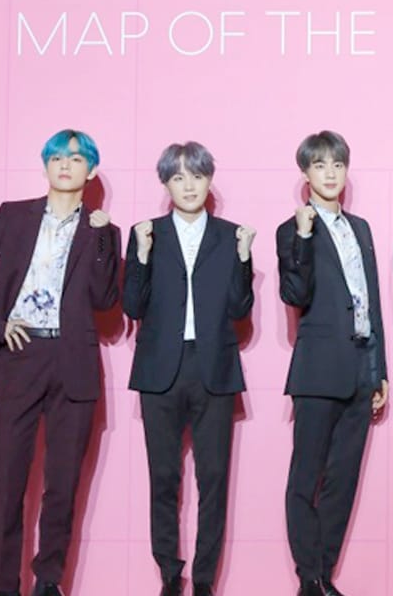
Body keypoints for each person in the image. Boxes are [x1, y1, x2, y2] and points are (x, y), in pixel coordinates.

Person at [0, 129, 120, 596]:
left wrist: (103, 238)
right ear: (46, 166)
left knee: (63, 482)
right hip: (21, 356)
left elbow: (105, 299)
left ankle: (49, 581)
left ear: (90, 170)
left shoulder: (103, 230)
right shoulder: (14, 216)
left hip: (73, 361)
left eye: (76, 158)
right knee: (9, 478)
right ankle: (4, 584)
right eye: (57, 158)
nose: (65, 165)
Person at [123, 141, 256, 596]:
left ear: (209, 180)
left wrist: (244, 258)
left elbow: (239, 309)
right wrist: (141, 255)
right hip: (160, 370)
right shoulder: (147, 233)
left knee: (214, 480)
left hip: (213, 368)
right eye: (178, 177)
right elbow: (132, 305)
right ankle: (168, 573)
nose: (189, 186)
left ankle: (203, 580)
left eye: (197, 176)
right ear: (166, 184)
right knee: (163, 477)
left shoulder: (231, 235)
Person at [276, 130, 389, 596]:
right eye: (320, 165)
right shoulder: (292, 229)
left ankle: (324, 574)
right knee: (306, 477)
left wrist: (380, 370)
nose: (330, 173)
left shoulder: (360, 228)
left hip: (361, 365)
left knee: (343, 480)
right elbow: (294, 294)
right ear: (305, 173)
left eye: (337, 165)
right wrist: (304, 237)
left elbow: (371, 301)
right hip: (318, 369)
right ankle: (309, 577)